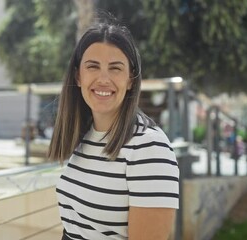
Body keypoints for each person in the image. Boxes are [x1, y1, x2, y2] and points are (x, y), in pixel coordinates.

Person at [48, 14, 179, 240]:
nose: (103, 79)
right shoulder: (85, 134)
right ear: (78, 76)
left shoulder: (149, 147)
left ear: (130, 80)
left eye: (115, 68)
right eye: (93, 66)